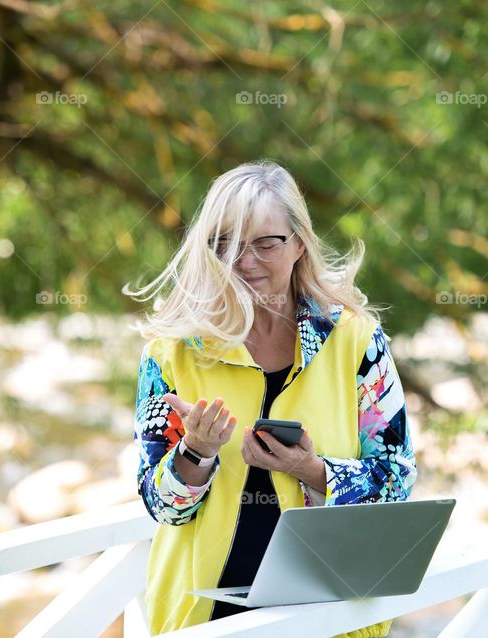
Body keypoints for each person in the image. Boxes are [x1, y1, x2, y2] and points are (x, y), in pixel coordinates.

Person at [122, 160, 417, 637]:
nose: (244, 262)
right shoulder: (171, 351)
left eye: (265, 243)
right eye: (225, 245)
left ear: (300, 243)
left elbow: (397, 478)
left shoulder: (357, 340)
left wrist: (312, 469)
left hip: (328, 612)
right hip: (202, 618)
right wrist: (195, 453)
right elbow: (163, 506)